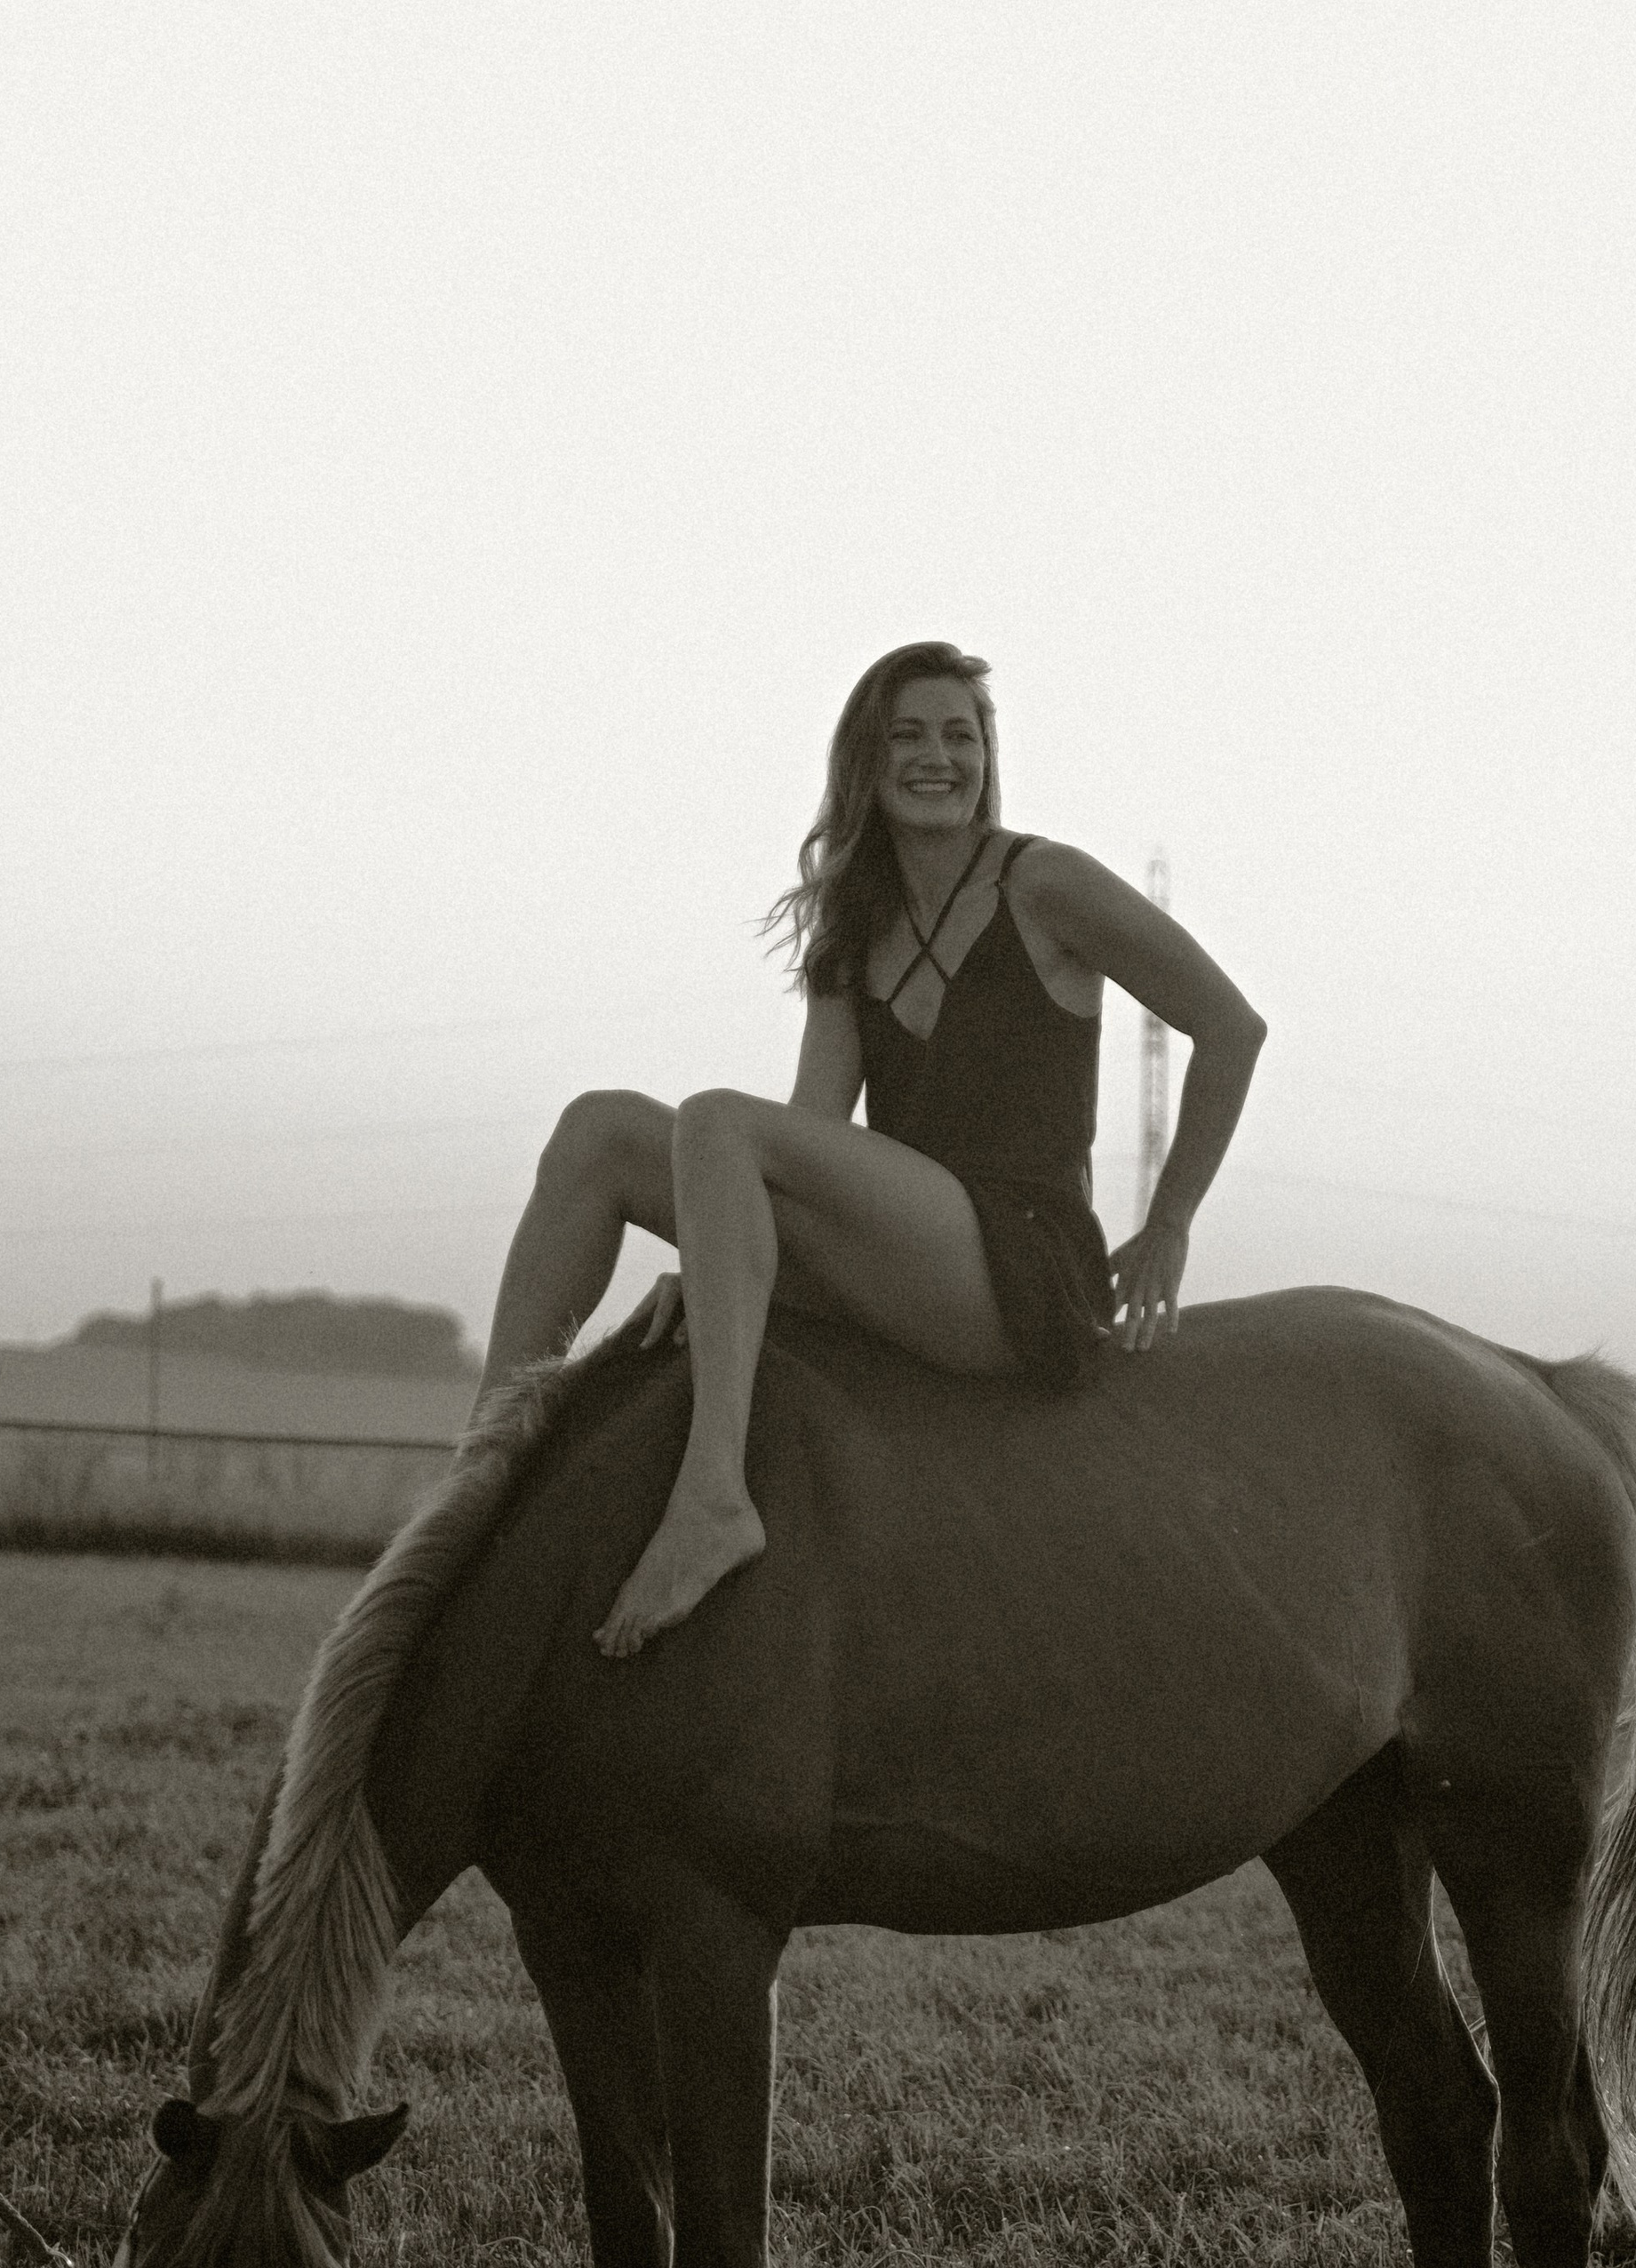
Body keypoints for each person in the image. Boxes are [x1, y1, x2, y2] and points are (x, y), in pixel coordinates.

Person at [475, 641, 1265, 1657]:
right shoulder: (853, 924)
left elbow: (1230, 1028)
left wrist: (1169, 1222)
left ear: (988, 755)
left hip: (1016, 1264)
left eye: (959, 734)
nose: (936, 757)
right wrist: (711, 1258)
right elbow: (807, 1130)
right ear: (866, 762)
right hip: (899, 1260)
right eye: (907, 735)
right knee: (601, 1128)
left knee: (716, 1117)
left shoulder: (1045, 882)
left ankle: (712, 1496)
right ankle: (476, 1470)